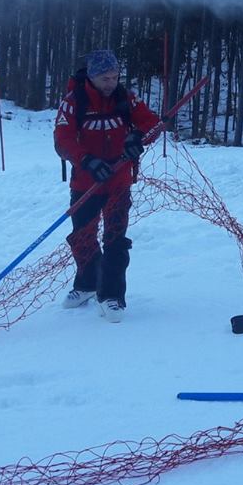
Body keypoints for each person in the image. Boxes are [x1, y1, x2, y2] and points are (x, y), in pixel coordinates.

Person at [53, 49, 161, 322]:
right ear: (91, 76)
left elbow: (153, 124)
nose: (111, 83)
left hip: (118, 182)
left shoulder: (126, 98)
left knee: (115, 239)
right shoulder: (73, 101)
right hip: (85, 182)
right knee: (82, 237)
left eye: (114, 77)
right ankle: (87, 284)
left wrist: (137, 137)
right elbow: (63, 141)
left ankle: (112, 296)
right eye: (105, 78)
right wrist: (86, 161)